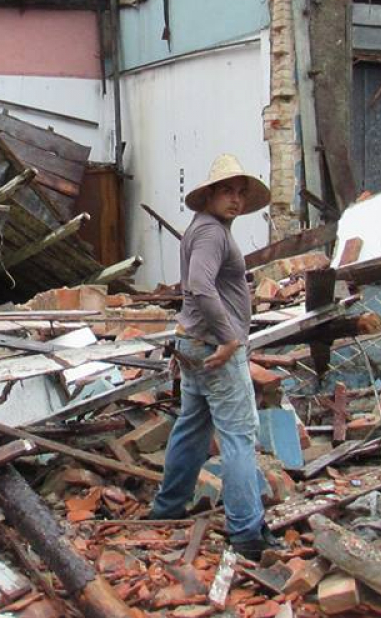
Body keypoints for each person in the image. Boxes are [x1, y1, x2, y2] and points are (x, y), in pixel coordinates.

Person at [148, 154, 281, 560]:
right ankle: (246, 532)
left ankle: (168, 508)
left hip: (194, 341)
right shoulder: (211, 234)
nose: (235, 199)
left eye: (240, 192)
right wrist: (228, 338)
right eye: (227, 190)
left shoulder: (206, 229)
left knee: (192, 427)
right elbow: (201, 287)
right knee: (239, 436)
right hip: (213, 347)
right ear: (208, 194)